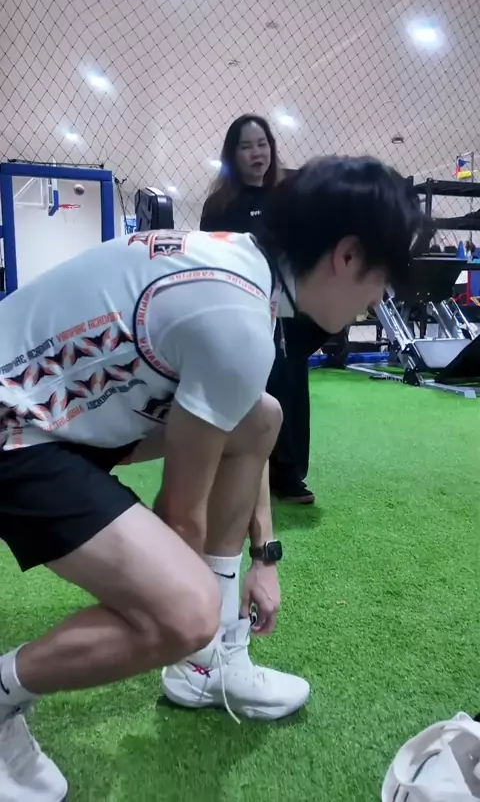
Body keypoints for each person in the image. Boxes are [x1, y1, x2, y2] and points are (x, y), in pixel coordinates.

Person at [0, 156, 422, 800]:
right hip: (16, 431)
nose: (380, 297)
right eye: (384, 276)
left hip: (61, 413)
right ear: (348, 254)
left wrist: (265, 556)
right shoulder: (237, 315)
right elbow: (180, 515)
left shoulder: (242, 268)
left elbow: (242, 423)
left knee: (262, 417)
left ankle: (209, 667)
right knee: (184, 611)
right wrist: (195, 611)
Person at [200, 114, 322, 504]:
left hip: (286, 313)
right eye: (246, 146)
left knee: (289, 388)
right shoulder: (219, 206)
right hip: (240, 311)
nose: (257, 153)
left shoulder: (288, 199)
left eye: (262, 143)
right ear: (232, 154)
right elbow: (208, 260)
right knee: (246, 390)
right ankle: (241, 471)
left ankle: (288, 475)